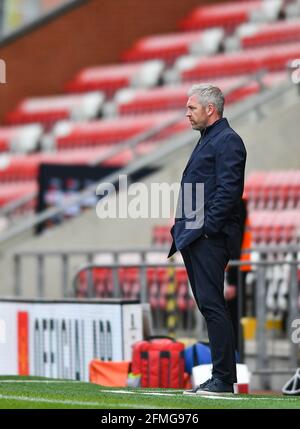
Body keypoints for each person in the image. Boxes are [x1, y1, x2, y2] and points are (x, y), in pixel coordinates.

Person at [168, 84, 247, 395]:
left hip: (208, 237)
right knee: (208, 305)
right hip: (195, 235)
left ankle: (224, 379)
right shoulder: (210, 139)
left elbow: (230, 191)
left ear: (210, 109)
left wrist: (206, 228)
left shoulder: (228, 141)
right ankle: (221, 376)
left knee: (213, 306)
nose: (187, 113)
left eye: (192, 108)